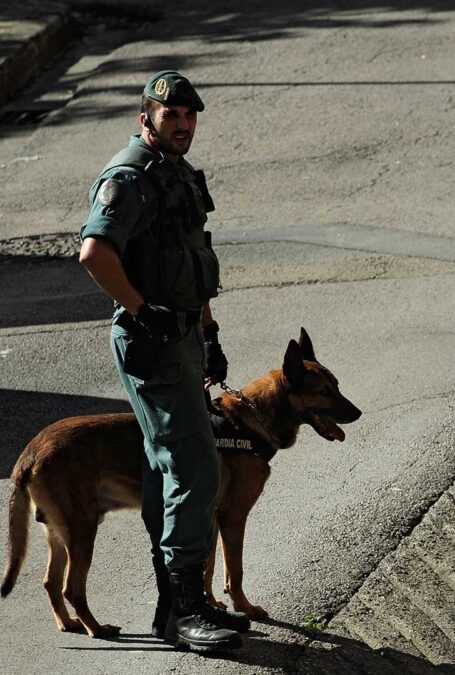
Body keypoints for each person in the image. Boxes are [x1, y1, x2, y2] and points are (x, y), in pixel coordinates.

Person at [77, 71, 247, 652]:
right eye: (170, 115)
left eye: (190, 116)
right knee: (195, 468)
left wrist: (208, 329)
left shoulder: (174, 175)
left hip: (183, 339)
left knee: (164, 470)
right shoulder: (129, 179)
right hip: (153, 344)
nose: (183, 125)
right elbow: (94, 253)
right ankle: (186, 611)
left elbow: (187, 259)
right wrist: (141, 310)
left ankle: (170, 608)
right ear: (144, 116)